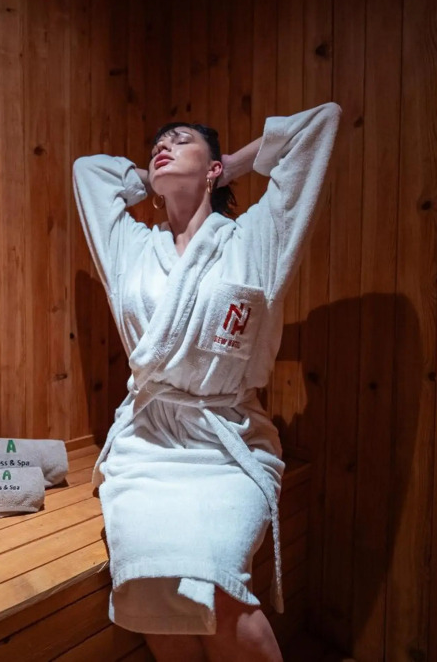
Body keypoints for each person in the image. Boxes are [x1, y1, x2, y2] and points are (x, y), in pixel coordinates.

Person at [71, 101, 342, 661]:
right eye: (157, 144)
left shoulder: (257, 239)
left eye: (180, 141)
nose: (162, 147)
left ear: (214, 168)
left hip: (227, 443)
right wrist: (160, 177)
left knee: (220, 589)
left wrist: (229, 166)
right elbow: (88, 173)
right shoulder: (130, 247)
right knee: (149, 588)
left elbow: (320, 125)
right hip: (147, 446)